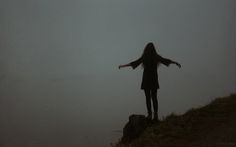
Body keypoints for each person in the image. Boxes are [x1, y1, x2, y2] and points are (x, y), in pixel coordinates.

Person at [119, 42, 181, 121]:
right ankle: (153, 114)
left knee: (148, 97)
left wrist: (123, 66)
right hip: (152, 78)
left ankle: (151, 114)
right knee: (153, 97)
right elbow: (164, 60)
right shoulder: (154, 56)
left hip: (147, 79)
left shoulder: (146, 56)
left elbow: (135, 62)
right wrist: (175, 62)